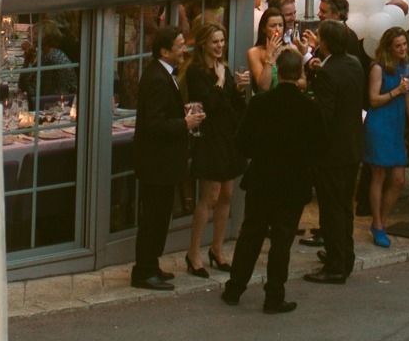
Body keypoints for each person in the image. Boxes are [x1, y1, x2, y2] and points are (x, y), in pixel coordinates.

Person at [220, 47, 321, 313]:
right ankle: (274, 295)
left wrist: (260, 153)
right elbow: (320, 147)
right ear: (299, 73)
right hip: (293, 182)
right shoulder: (309, 108)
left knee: (250, 235)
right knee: (282, 241)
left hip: (263, 179)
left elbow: (242, 142)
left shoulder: (261, 103)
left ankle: (234, 288)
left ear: (278, 71)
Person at [130, 26, 204, 290]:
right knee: (154, 218)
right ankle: (144, 271)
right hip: (156, 163)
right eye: (180, 46)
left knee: (160, 217)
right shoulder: (157, 78)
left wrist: (181, 112)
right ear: (164, 51)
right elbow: (154, 123)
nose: (185, 50)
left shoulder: (162, 74)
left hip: (160, 162)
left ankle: (151, 266)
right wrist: (185, 123)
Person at [304, 19, 366, 284]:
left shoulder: (328, 73)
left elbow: (323, 116)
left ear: (325, 43)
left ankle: (335, 264)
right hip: (352, 147)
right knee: (343, 207)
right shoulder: (353, 63)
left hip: (332, 152)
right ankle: (344, 255)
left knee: (331, 209)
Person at [183, 21, 246, 276]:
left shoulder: (224, 68)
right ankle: (193, 252)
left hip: (227, 136)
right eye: (215, 42)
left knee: (227, 195)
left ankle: (217, 249)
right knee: (209, 196)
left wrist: (238, 88)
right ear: (203, 45)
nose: (220, 46)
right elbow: (207, 104)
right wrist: (220, 83)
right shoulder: (196, 72)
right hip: (209, 137)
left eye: (222, 41)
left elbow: (231, 107)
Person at [364, 27, 409, 247]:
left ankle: (381, 222)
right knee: (379, 175)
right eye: (398, 45)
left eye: (404, 44)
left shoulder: (407, 64)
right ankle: (378, 223)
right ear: (388, 47)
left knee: (399, 179)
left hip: (396, 124)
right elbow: (373, 100)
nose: (403, 48)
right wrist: (396, 91)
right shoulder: (378, 68)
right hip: (379, 123)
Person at [248, 7, 286, 93]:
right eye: (273, 26)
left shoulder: (291, 49)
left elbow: (303, 83)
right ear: (263, 28)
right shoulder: (254, 52)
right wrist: (269, 55)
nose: (277, 30)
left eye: (280, 25)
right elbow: (264, 86)